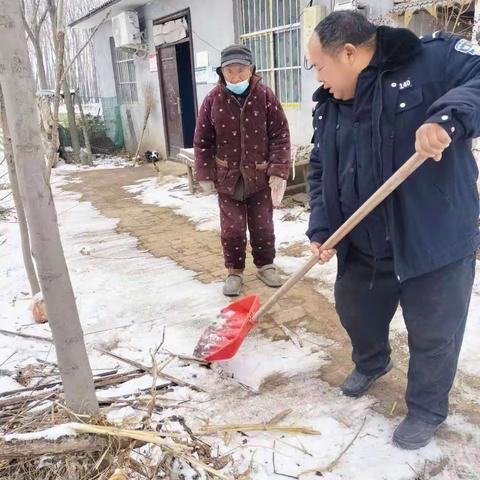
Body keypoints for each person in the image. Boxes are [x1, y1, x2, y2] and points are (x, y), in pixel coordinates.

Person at [306, 11, 479, 450]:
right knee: (354, 309)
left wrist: (447, 117)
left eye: (319, 67)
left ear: (348, 53)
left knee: (434, 334)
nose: (318, 78)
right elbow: (321, 167)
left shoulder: (431, 60)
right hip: (364, 242)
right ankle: (372, 361)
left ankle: (426, 409)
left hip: (432, 240)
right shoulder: (330, 104)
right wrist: (322, 227)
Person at [194, 45, 291, 296]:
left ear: (252, 70)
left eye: (241, 70)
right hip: (228, 178)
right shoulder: (213, 99)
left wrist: (279, 170)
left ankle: (265, 264)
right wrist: (204, 173)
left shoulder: (265, 96)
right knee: (233, 228)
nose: (235, 77)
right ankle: (235, 271)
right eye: (230, 71)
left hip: (259, 176)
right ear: (221, 72)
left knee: (263, 225)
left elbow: (280, 135)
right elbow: (202, 139)